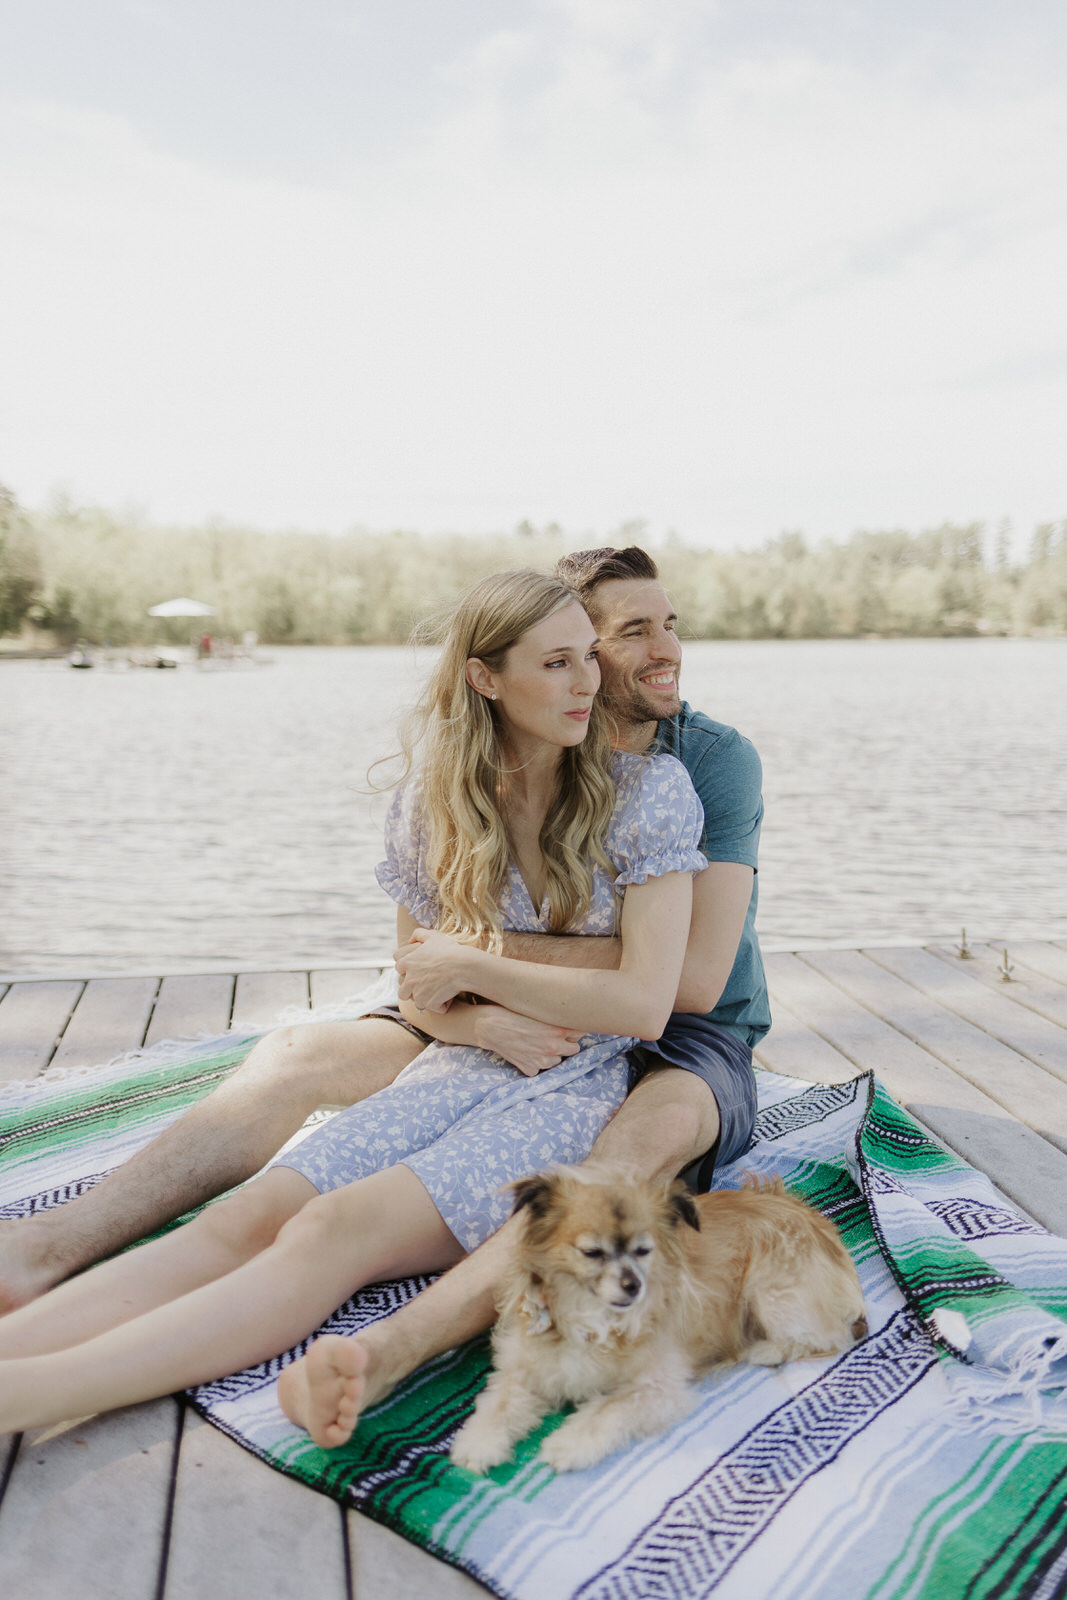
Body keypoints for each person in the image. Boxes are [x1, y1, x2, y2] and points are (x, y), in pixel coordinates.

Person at [0, 569, 708, 1436]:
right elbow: (418, 987)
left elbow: (641, 1003)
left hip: (572, 1081)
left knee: (329, 1229)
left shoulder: (646, 794)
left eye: (586, 659)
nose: (587, 683)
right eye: (555, 663)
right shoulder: (434, 802)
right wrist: (477, 1013)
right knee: (246, 1215)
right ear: (486, 678)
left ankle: (38, 1396)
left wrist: (471, 962)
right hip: (457, 1056)